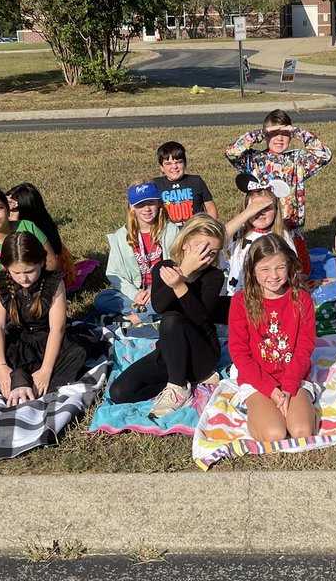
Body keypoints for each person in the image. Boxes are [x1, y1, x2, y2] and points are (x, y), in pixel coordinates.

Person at [108, 215, 226, 418]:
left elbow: (200, 319)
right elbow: (160, 305)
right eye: (200, 248)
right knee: (120, 392)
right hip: (171, 353)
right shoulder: (163, 268)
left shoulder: (213, 276)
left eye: (212, 253)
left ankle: (178, 387)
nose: (205, 256)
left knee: (172, 319)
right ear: (185, 243)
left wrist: (180, 284)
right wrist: (183, 271)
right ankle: (183, 380)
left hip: (202, 353)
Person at [0, 232, 98, 406]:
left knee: (77, 352)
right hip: (18, 339)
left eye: (29, 271)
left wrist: (46, 370)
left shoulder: (53, 282)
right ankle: (19, 379)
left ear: (41, 262)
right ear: (5, 267)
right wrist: (0, 366)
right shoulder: (1, 283)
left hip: (47, 340)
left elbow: (57, 329)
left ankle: (25, 380)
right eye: (16, 272)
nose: (23, 278)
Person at [227, 234, 318, 441]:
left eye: (280, 267)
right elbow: (239, 353)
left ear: (289, 266)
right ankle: (255, 409)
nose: (274, 275)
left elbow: (304, 348)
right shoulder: (241, 301)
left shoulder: (301, 298)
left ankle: (297, 408)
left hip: (292, 375)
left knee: (302, 431)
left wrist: (289, 387)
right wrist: (271, 390)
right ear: (252, 270)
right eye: (265, 269)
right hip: (257, 378)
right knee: (274, 433)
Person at [227, 109, 332, 274]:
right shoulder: (254, 160)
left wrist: (295, 131)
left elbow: (324, 154)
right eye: (274, 133)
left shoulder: (297, 160)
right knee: (257, 270)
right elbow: (232, 152)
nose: (280, 138)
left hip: (291, 229)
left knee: (301, 273)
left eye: (284, 134)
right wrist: (261, 133)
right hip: (260, 229)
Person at [98, 182, 181, 325]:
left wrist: (153, 290)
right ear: (131, 207)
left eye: (151, 203)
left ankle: (136, 318)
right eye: (140, 204)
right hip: (136, 294)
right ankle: (152, 313)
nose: (146, 209)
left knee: (178, 294)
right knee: (102, 299)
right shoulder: (120, 236)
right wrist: (135, 294)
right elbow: (114, 273)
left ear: (159, 203)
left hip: (164, 289)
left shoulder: (171, 230)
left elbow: (178, 265)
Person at [0, 187, 58, 304]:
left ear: (8, 210)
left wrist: (30, 276)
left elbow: (52, 262)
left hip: (36, 285)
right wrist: (13, 283)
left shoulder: (28, 227)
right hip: (4, 296)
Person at [222, 174, 290, 296]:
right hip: (238, 295)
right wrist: (247, 213)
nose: (261, 212)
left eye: (267, 208)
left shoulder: (282, 235)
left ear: (276, 210)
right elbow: (217, 238)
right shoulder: (238, 233)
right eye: (255, 209)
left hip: (273, 296)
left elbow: (292, 267)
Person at [7, 182, 75, 286]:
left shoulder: (34, 231)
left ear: (26, 212)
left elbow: (51, 267)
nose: (7, 215)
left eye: (12, 210)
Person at [152, 141, 218, 224]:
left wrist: (211, 227)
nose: (174, 167)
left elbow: (211, 209)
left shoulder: (196, 181)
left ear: (185, 164)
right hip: (167, 230)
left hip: (195, 229)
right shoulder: (155, 184)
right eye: (168, 164)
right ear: (161, 167)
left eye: (178, 162)